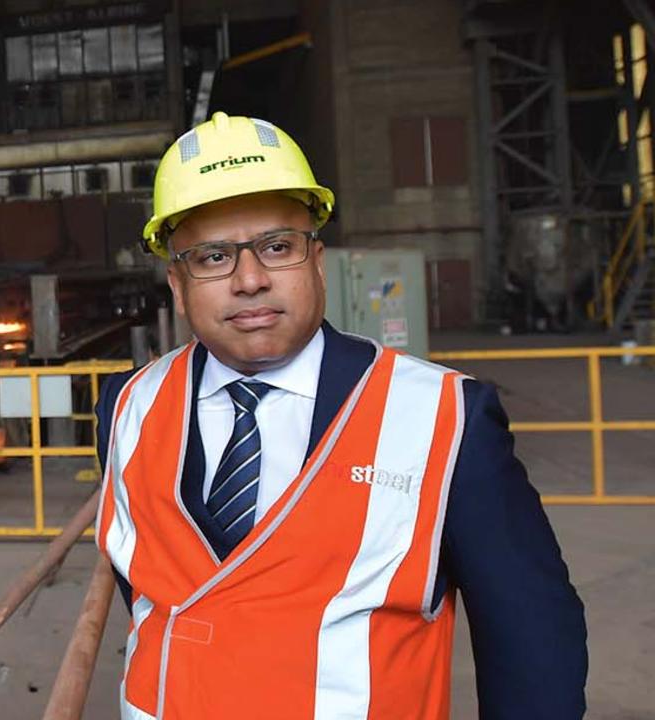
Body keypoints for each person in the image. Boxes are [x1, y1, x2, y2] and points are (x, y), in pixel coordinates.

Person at [94, 113, 587, 719]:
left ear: (317, 261)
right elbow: (149, 589)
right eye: (214, 257)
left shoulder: (444, 420)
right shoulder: (126, 408)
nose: (250, 280)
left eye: (277, 247)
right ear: (177, 282)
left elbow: (532, 643)